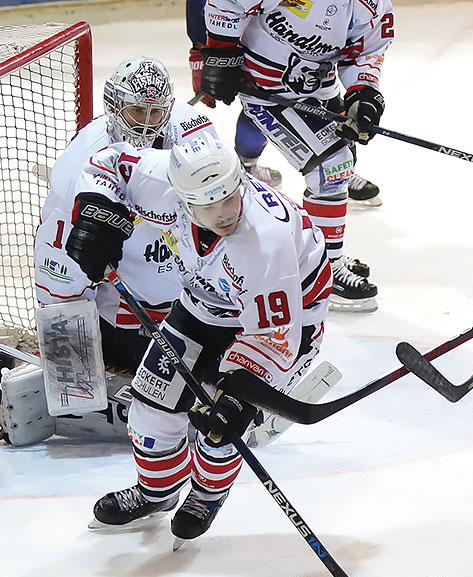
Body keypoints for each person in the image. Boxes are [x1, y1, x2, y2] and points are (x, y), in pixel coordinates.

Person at [65, 134, 330, 543]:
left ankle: (207, 495)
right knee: (150, 410)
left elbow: (275, 335)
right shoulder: (161, 181)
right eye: (208, 204)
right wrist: (95, 212)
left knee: (221, 427)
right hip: (203, 303)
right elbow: (108, 161)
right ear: (182, 196)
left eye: (229, 196)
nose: (224, 212)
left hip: (284, 322)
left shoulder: (264, 243)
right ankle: (157, 493)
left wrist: (239, 398)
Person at [196, 0, 394, 312]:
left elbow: (368, 47)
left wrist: (364, 93)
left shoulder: (372, 3)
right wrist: (221, 53)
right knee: (331, 166)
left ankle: (320, 251)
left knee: (343, 157)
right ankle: (321, 270)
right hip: (265, 86)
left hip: (319, 88)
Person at [34, 55, 211, 372]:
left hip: (188, 293)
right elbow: (58, 269)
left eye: (155, 112)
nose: (146, 122)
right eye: (138, 110)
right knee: (179, 370)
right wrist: (72, 366)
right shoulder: (80, 165)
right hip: (127, 312)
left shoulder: (194, 135)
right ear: (114, 107)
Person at [186, 0, 383, 206]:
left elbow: (369, 39)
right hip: (264, 66)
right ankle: (247, 165)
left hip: (319, 72)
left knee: (337, 131)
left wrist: (363, 89)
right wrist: (211, 54)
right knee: (267, 111)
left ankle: (338, 168)